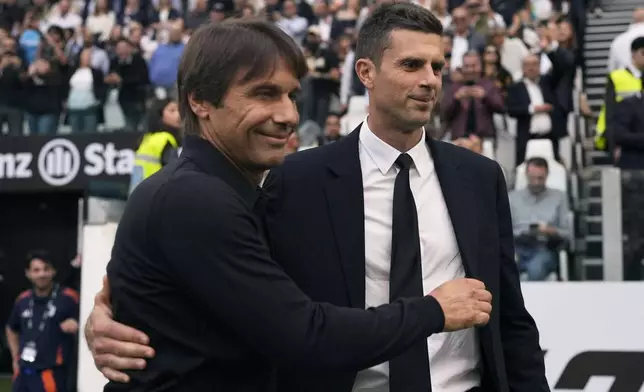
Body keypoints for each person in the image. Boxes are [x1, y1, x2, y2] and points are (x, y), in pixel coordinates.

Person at [86, 18, 493, 391]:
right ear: (200, 102)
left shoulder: (247, 192)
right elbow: (305, 335)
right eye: (264, 94)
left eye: (291, 95)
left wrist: (104, 315)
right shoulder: (195, 199)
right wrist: (433, 310)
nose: (287, 115)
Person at [5, 252, 80, 392]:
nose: (42, 274)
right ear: (28, 273)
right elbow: (11, 328)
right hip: (23, 371)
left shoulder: (69, 297)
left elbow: (89, 322)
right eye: (36, 270)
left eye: (46, 269)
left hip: (50, 372)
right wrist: (15, 357)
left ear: (53, 271)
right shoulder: (23, 299)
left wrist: (78, 324)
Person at [129, 98, 182, 194]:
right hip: (156, 195)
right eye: (172, 110)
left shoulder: (147, 139)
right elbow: (174, 173)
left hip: (139, 196)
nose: (178, 115)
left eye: (179, 110)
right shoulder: (165, 140)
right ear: (159, 115)